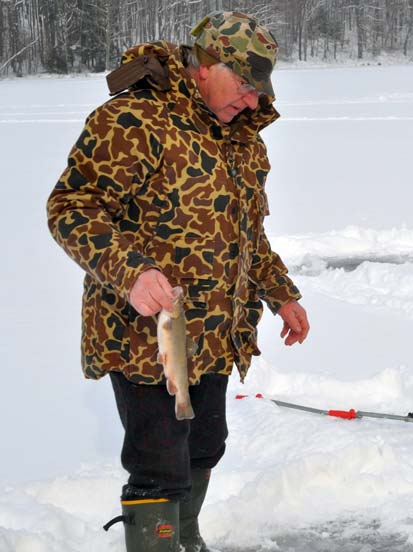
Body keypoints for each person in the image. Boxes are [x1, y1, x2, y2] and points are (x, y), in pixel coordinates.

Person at [46, 11, 309, 552]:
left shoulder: (242, 140)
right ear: (204, 66)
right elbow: (72, 209)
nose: (254, 101)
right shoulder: (133, 120)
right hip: (144, 335)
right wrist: (130, 270)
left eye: (261, 90)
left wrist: (280, 292)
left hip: (216, 332)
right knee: (159, 461)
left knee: (205, 445)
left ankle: (185, 540)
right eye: (245, 84)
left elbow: (247, 233)